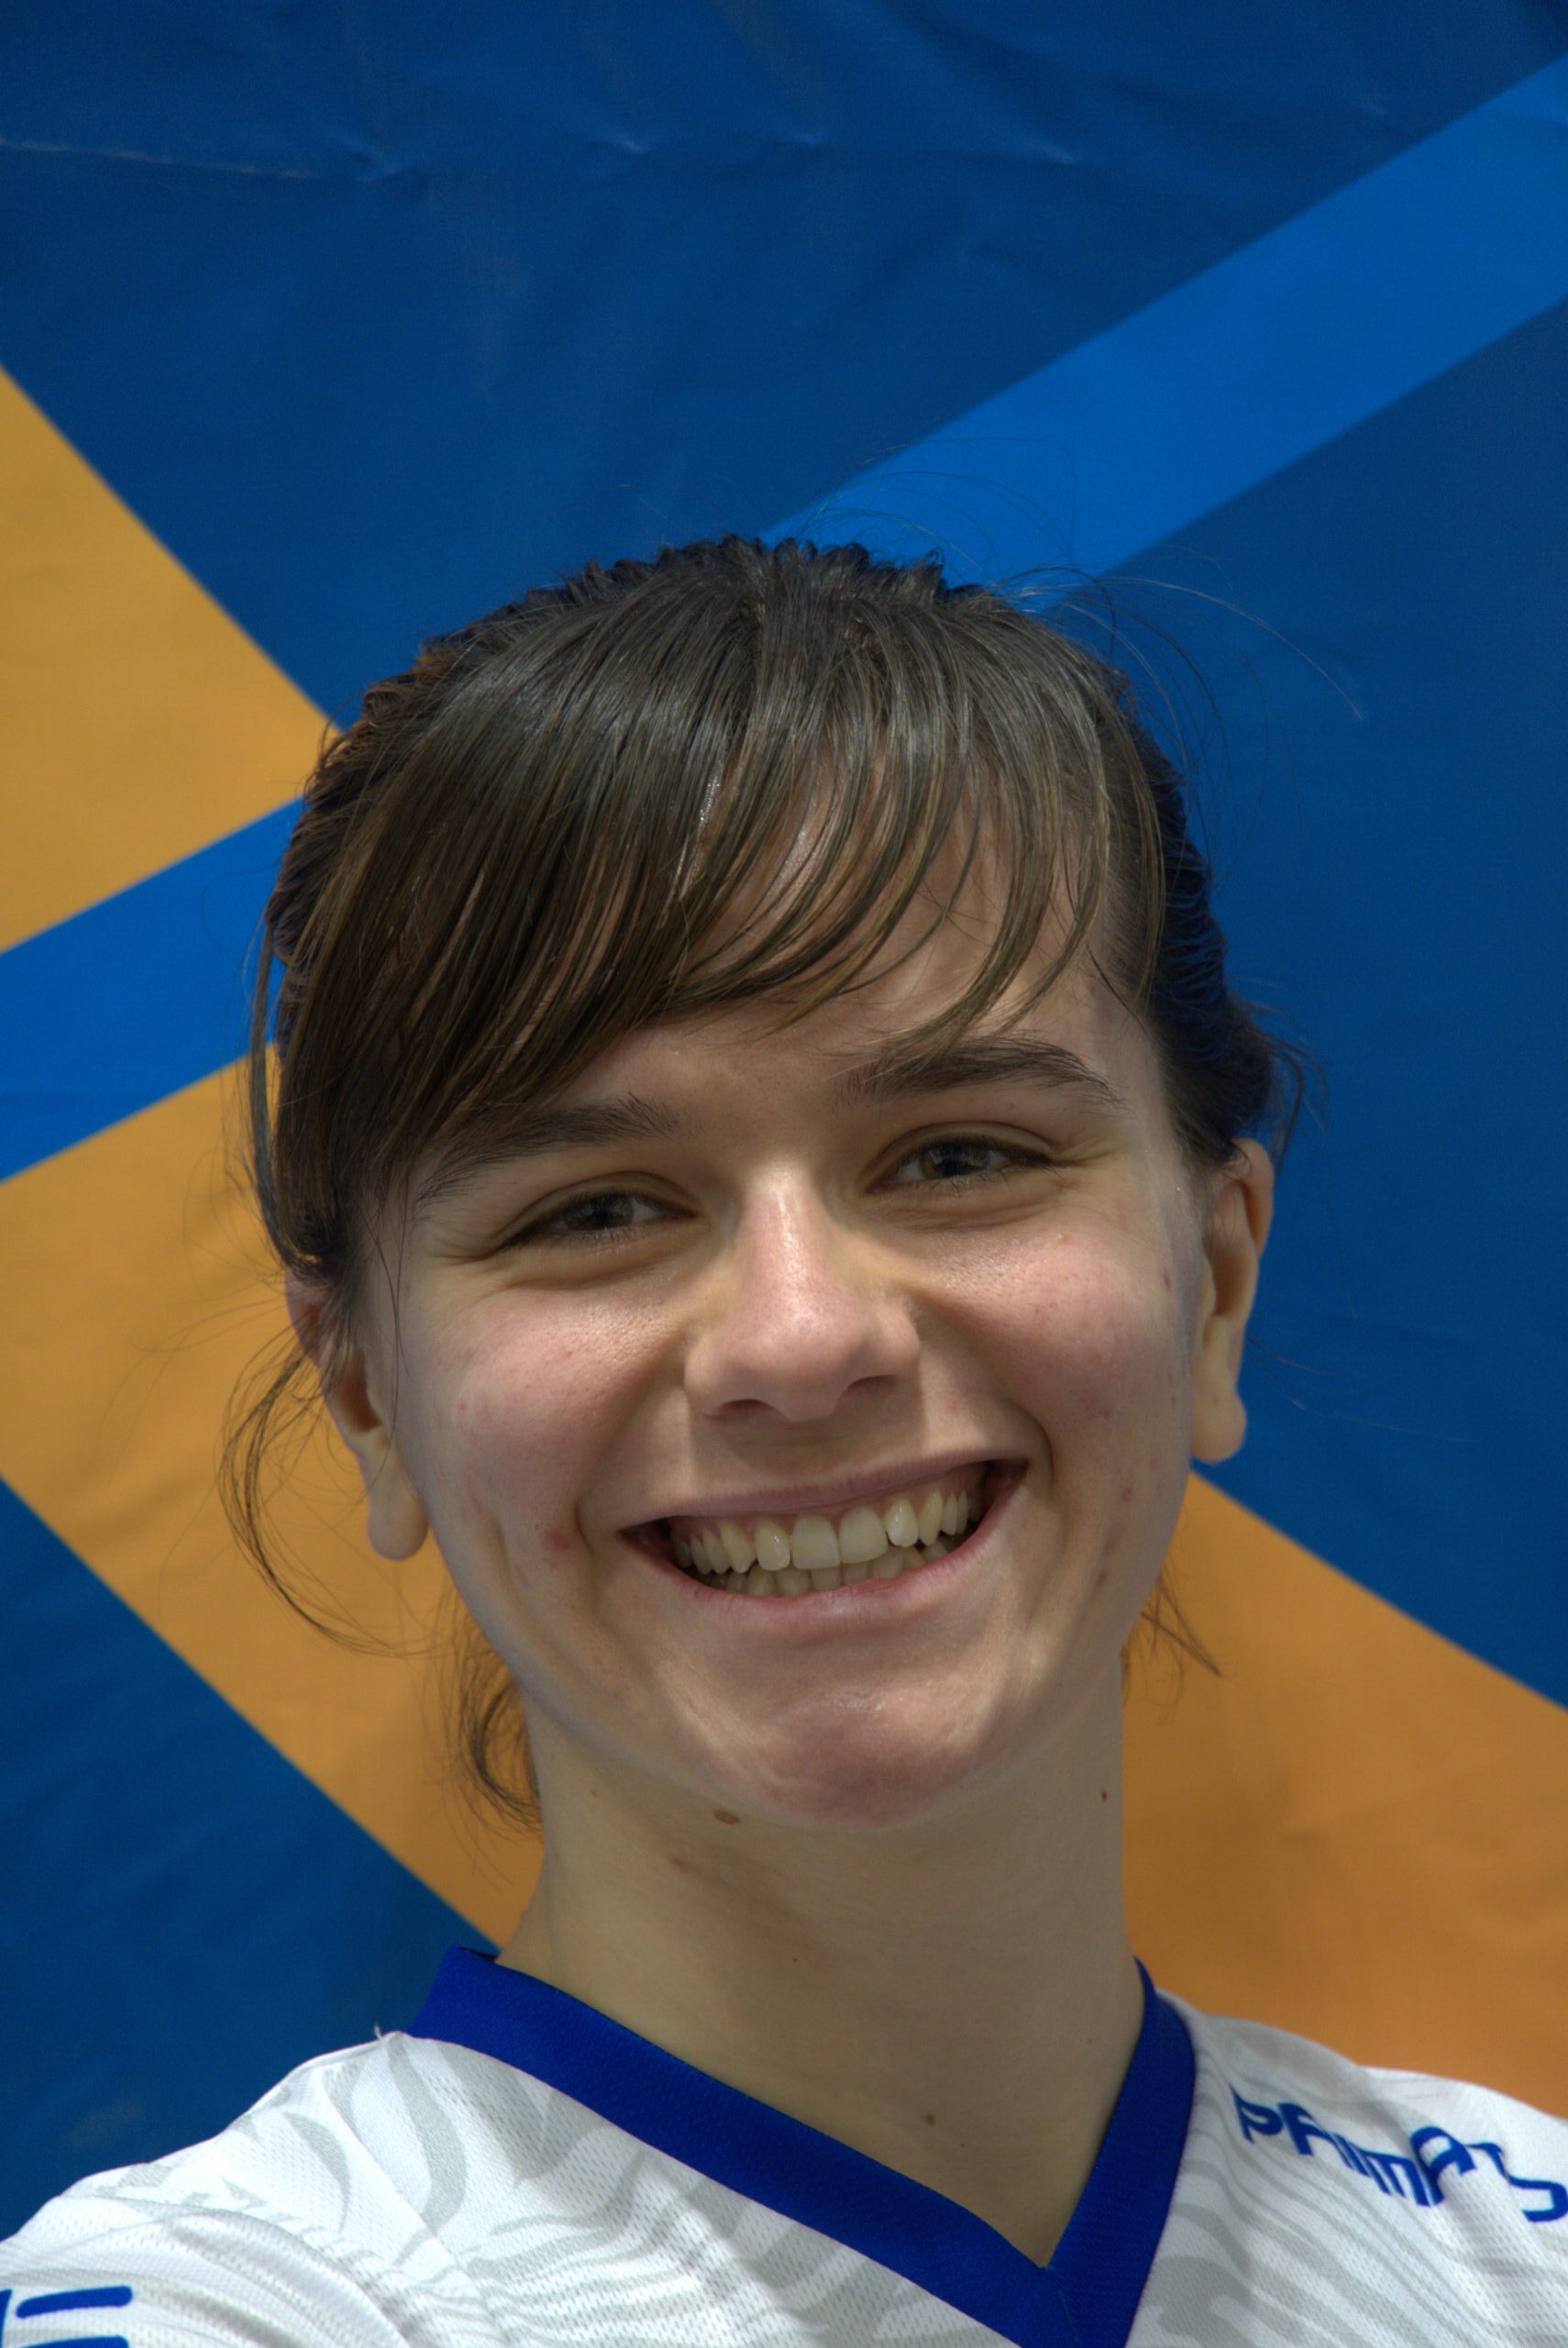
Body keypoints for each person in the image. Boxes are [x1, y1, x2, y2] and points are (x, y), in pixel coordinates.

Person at [5, 537, 1563, 2345]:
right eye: (596, 1208)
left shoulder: (1516, 2263)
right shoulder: (236, 2303)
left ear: (1212, 1285)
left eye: (959, 1156)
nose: (802, 1340)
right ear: (371, 1400)